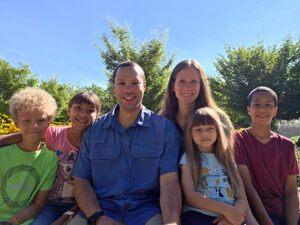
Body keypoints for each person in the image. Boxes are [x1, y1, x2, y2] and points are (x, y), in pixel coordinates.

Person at [70, 61, 181, 225]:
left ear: (144, 86)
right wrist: (98, 217)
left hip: (147, 212)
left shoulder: (164, 129)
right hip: (100, 209)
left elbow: (170, 182)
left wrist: (171, 222)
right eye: (122, 83)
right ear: (114, 87)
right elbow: (81, 181)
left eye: (134, 83)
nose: (128, 90)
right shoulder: (94, 130)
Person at [0, 91, 101, 225]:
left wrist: (67, 215)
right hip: (51, 203)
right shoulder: (54, 134)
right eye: (78, 108)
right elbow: (29, 133)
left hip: (80, 205)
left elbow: (93, 185)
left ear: (98, 116)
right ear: (69, 111)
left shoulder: (98, 146)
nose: (83, 114)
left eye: (89, 110)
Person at [235, 86, 300, 225]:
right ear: (248, 109)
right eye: (256, 104)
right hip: (253, 214)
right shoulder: (238, 140)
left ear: (275, 110)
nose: (262, 109)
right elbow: (247, 185)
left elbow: (291, 191)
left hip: (282, 211)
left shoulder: (287, 146)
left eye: (268, 105)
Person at [0, 87, 58, 225]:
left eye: (41, 120)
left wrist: (10, 223)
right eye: (27, 121)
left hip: (22, 221)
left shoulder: (50, 159)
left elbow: (38, 204)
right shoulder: (3, 154)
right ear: (16, 122)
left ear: (49, 121)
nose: (35, 126)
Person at [180, 107, 246, 225]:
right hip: (199, 214)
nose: (204, 134)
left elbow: (242, 197)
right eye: (198, 130)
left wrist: (234, 214)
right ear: (190, 133)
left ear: (218, 131)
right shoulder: (188, 158)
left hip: (229, 217)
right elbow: (190, 195)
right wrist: (226, 210)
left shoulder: (227, 160)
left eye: (210, 129)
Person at [160, 59, 233, 149]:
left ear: (201, 86)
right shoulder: (161, 122)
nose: (187, 87)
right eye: (181, 82)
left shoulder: (219, 118)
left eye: (193, 82)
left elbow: (230, 156)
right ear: (173, 87)